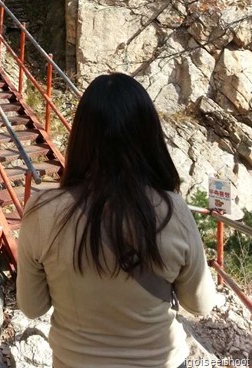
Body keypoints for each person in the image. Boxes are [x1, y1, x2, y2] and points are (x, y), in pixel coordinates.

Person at [17, 73, 216, 368]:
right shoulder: (173, 211)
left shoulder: (41, 211)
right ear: (149, 138)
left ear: (81, 137)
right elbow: (200, 304)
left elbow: (33, 308)